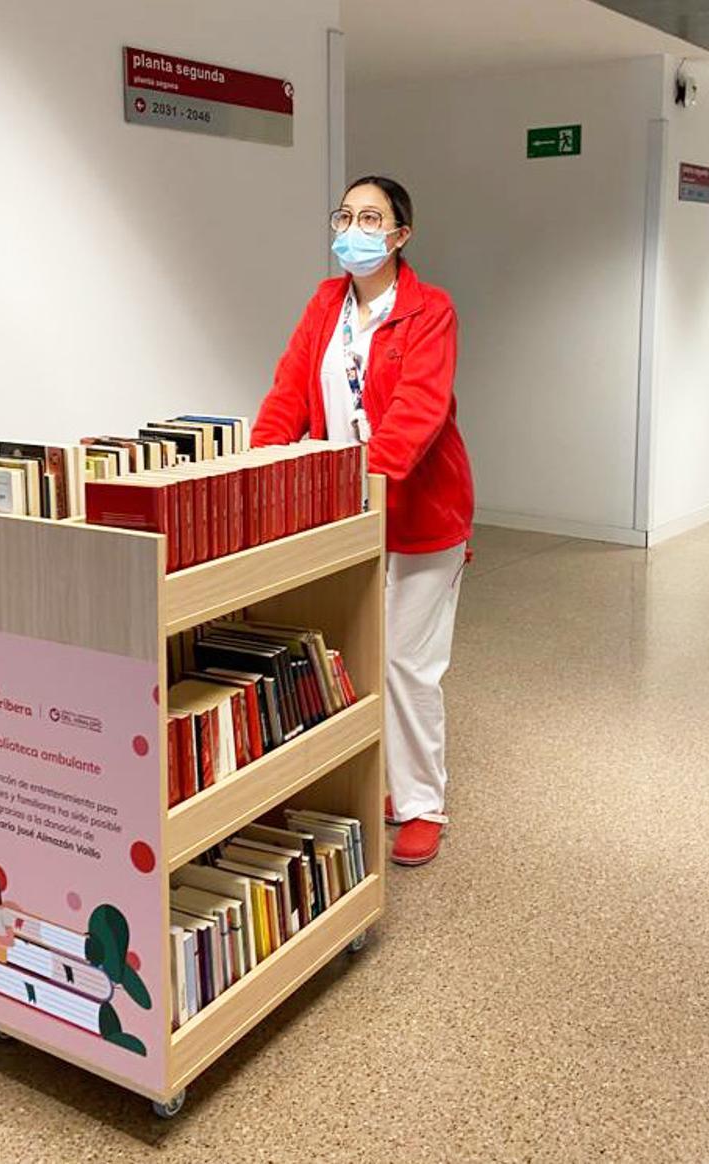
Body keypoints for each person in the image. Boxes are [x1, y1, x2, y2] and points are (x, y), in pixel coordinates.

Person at [251, 176, 474, 867]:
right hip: (342, 512)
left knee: (407, 662)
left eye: (371, 218)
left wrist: (365, 479)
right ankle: (387, 780)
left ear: (400, 236)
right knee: (354, 648)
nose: (354, 229)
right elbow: (290, 390)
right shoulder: (326, 303)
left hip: (419, 511)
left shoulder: (430, 310)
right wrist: (261, 469)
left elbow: (419, 411)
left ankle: (421, 804)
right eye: (345, 215)